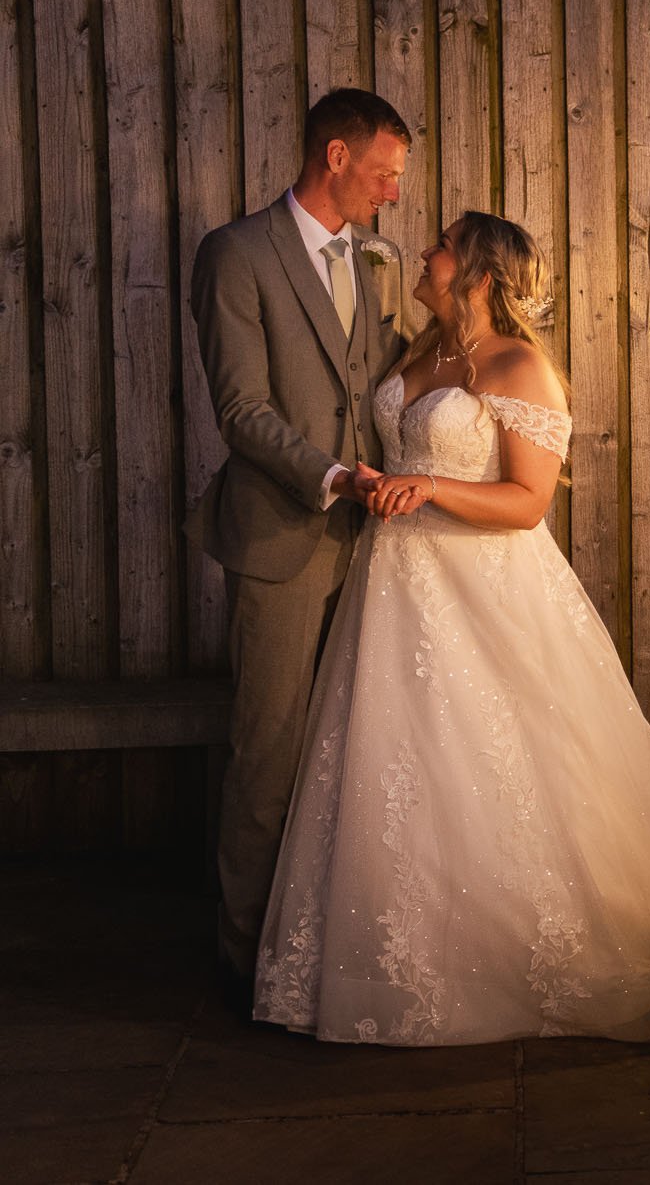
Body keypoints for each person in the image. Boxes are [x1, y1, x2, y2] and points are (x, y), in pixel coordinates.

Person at [252, 211, 650, 1045]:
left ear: (479, 274)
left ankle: (513, 954)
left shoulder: (518, 366)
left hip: (485, 587)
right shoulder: (417, 353)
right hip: (393, 587)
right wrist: (377, 482)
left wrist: (427, 489)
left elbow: (528, 503)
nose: (425, 253)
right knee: (400, 763)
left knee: (502, 758)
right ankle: (396, 956)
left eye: (442, 246)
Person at [188, 88, 410, 988]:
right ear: (335, 158)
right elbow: (242, 407)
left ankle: (317, 948)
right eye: (385, 173)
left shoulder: (373, 260)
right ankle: (248, 962)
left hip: (372, 545)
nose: (392, 192)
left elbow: (383, 378)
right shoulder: (236, 254)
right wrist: (330, 476)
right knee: (271, 749)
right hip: (284, 538)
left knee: (347, 751)